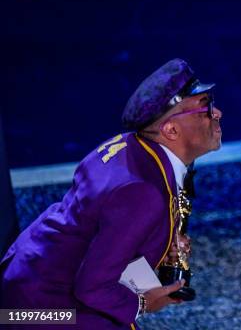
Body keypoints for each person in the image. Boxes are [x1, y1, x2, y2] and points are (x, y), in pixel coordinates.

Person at [0, 59, 222, 329]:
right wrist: (142, 303)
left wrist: (160, 243)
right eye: (204, 108)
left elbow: (101, 230)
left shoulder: (129, 147)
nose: (217, 113)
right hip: (42, 312)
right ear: (171, 130)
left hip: (26, 283)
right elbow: (92, 287)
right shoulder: (143, 191)